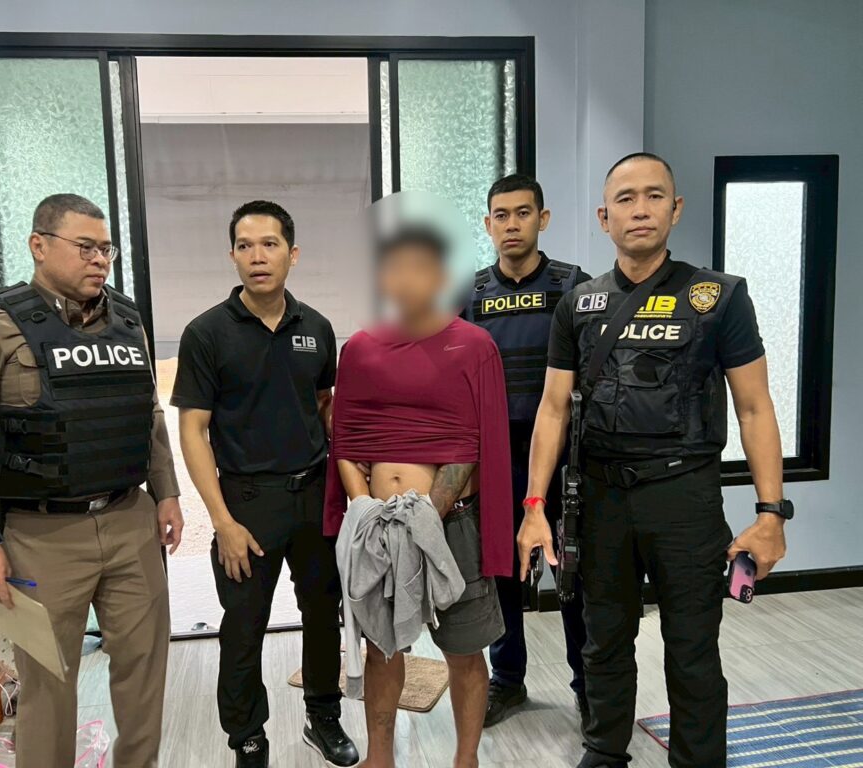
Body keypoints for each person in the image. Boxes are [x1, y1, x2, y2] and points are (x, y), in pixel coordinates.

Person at [520, 153, 791, 768]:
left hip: (684, 498)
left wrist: (771, 512)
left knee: (692, 650)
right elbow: (553, 410)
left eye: (653, 196)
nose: (639, 210)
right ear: (603, 217)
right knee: (602, 641)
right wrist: (534, 507)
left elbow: (754, 407)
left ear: (676, 208)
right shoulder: (579, 304)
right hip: (600, 499)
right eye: (625, 198)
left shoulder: (718, 297)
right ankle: (604, 751)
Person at [0, 193, 184, 768]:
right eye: (85, 247)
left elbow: (147, 413)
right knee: (48, 686)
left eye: (107, 249)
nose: (100, 260)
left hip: (129, 522)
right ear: (39, 245)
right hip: (41, 536)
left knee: (144, 673)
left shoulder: (128, 321)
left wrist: (167, 492)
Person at [174, 200, 359, 768]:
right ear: (232, 255)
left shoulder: (317, 328)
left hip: (315, 495)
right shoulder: (206, 333)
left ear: (292, 254)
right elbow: (193, 430)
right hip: (248, 504)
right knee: (243, 626)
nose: (258, 256)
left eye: (270, 244)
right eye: (246, 245)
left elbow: (324, 405)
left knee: (323, 611)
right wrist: (222, 522)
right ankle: (248, 740)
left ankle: (323, 715)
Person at [326, 224, 513, 768]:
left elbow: (477, 441)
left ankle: (466, 759)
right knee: (382, 649)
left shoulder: (474, 345)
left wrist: (427, 514)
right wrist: (365, 508)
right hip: (377, 528)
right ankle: (380, 757)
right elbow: (346, 439)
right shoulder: (359, 349)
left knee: (464, 649)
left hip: (452, 525)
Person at [461, 173, 591, 728]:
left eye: (522, 213)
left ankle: (589, 687)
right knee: (503, 572)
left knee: (574, 574)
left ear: (543, 218)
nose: (511, 224)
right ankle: (508, 679)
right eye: (501, 215)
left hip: (565, 459)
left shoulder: (575, 287)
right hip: (497, 457)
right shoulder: (469, 295)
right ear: (487, 224)